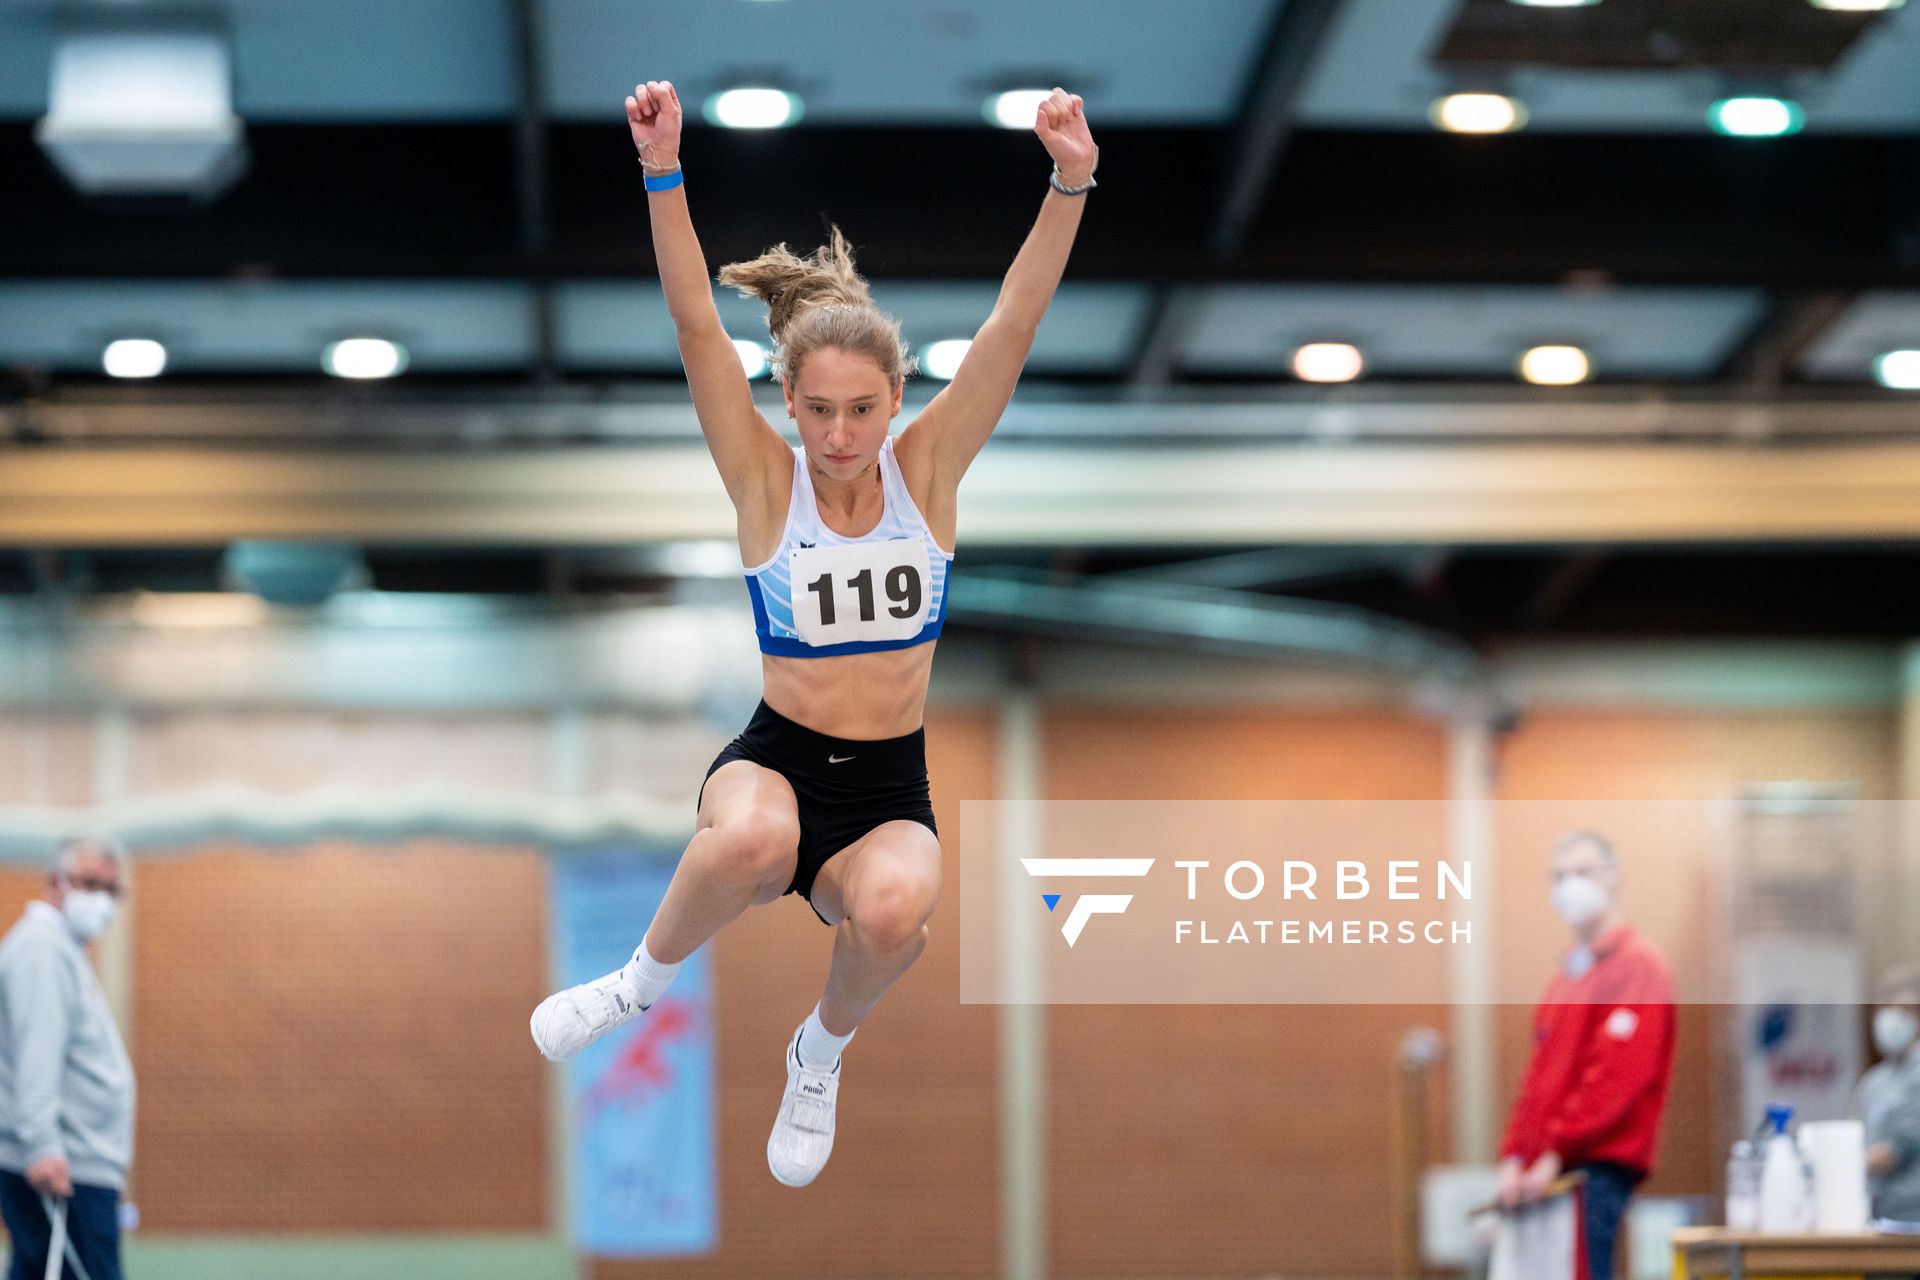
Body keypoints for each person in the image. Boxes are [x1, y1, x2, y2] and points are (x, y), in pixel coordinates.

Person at [531, 77, 1098, 1188]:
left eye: (863, 410)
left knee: (893, 912)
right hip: (775, 760)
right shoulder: (764, 482)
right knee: (749, 844)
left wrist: (1070, 178)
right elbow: (697, 324)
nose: (841, 436)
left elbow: (1013, 323)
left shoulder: (927, 470)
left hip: (890, 782)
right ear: (789, 399)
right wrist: (662, 169)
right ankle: (636, 985)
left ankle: (818, 1052)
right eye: (820, 410)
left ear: (897, 400)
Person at [1497, 830, 1676, 1280]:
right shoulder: (1567, 978)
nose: (1568, 884)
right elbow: (1536, 1081)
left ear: (1613, 879)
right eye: (1558, 876)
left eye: (1582, 872)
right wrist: (1514, 1158)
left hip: (1587, 1174)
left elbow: (1617, 1079)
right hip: (1542, 1179)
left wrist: (1557, 1154)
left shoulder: (1639, 966)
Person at [0, 836, 134, 1280]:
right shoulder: (42, 950)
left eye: (110, 890)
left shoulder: (62, 951)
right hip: (63, 1167)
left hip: (71, 1162)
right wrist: (42, 1146)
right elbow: (37, 1053)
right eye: (89, 884)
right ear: (56, 883)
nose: (100, 900)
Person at [1858, 964, 1920, 1222]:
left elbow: (1899, 1148)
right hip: (1881, 1216)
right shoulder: (1873, 1082)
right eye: (1887, 1009)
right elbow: (1855, 1135)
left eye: (1906, 1010)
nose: (1895, 1017)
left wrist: (1840, 1165)